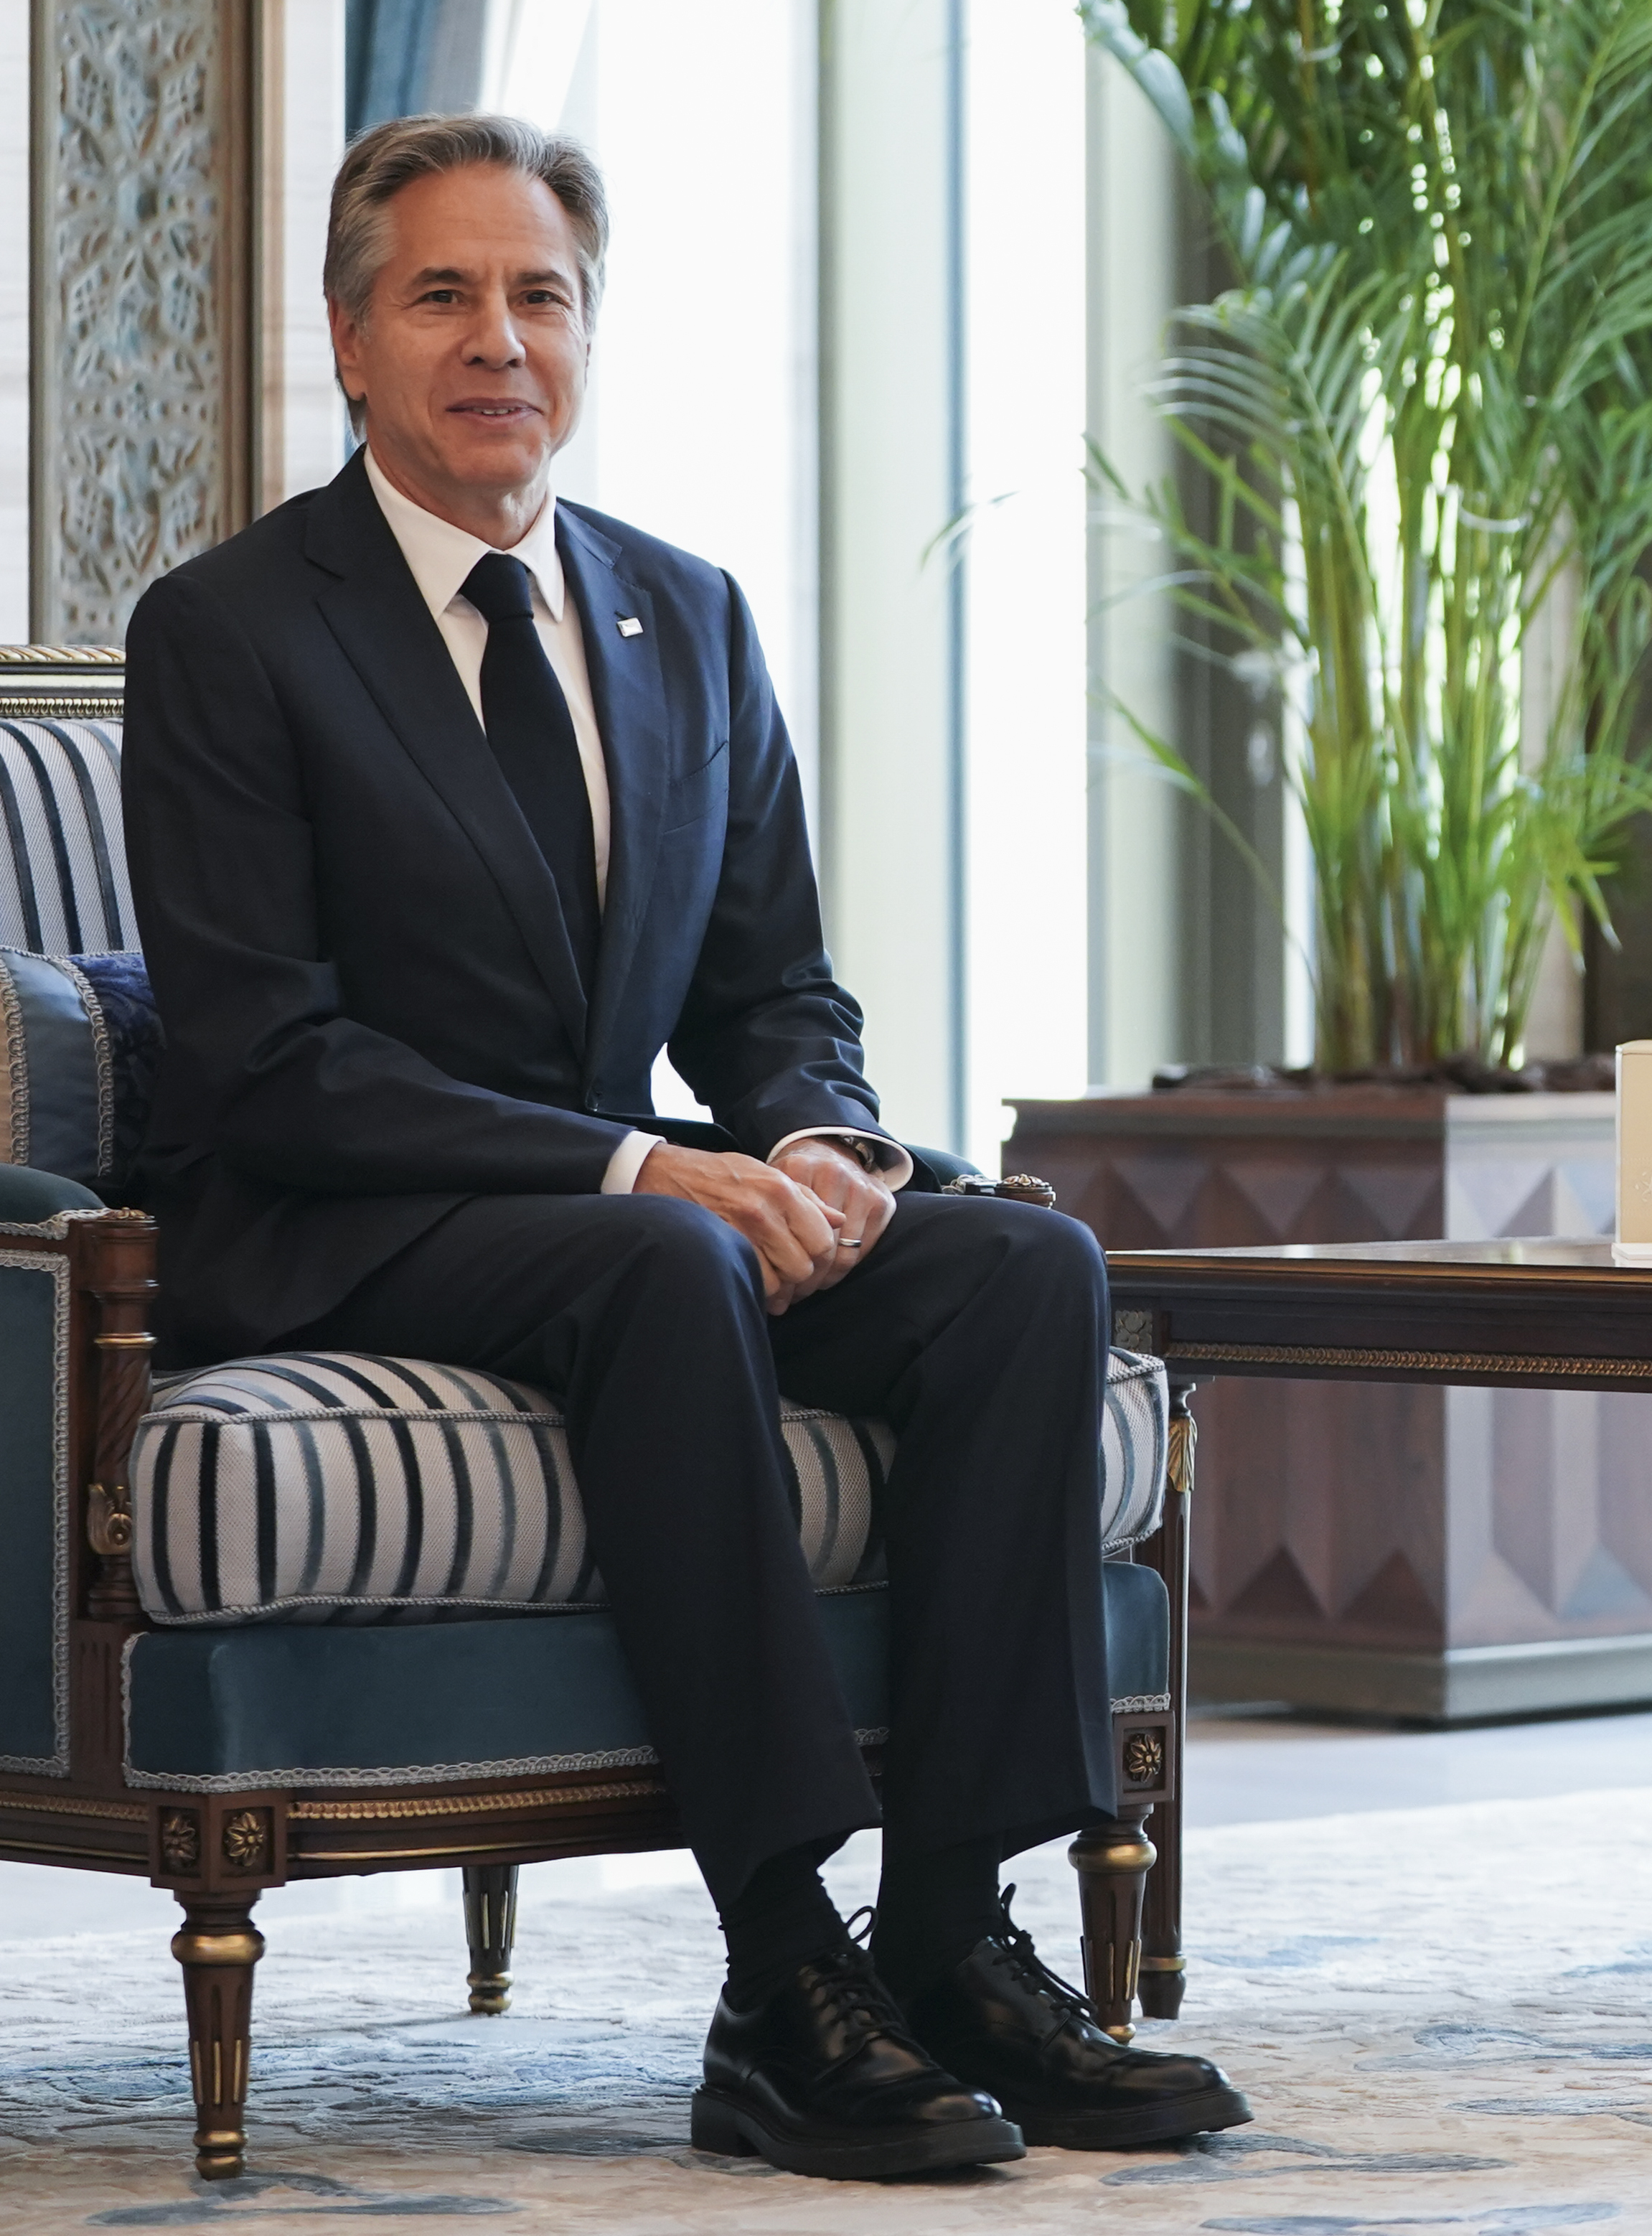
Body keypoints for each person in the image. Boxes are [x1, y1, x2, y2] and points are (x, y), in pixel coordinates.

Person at [124, 114, 1250, 2181]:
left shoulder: (685, 614)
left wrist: (819, 1142)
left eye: (538, 294)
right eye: (443, 294)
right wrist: (653, 1174)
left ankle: (947, 1939)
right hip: (333, 1220)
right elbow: (270, 1062)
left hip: (615, 1210)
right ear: (352, 338)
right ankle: (777, 1972)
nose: (499, 340)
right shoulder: (231, 630)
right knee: (665, 1257)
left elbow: (771, 996)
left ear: (588, 332)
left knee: (1023, 1264)